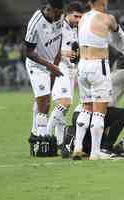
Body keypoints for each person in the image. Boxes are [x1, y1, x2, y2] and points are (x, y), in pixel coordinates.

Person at [72, 0, 124, 160]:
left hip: (82, 66)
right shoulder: (107, 18)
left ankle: (78, 147)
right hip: (97, 66)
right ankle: (95, 152)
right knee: (100, 111)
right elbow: (119, 35)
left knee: (86, 107)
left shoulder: (83, 17)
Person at [25, 0, 64, 156]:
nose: (60, 16)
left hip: (51, 64)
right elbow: (28, 52)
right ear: (50, 9)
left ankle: (35, 132)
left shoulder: (59, 17)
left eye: (61, 13)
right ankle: (41, 136)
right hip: (37, 65)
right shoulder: (35, 23)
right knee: (45, 101)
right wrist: (50, 66)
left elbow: (59, 39)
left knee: (42, 99)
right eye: (58, 13)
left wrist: (56, 60)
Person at [47, 1, 85, 148]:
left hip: (70, 69)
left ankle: (59, 141)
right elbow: (47, 45)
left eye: (80, 17)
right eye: (76, 16)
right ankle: (46, 134)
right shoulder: (58, 25)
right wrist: (63, 53)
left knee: (66, 106)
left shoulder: (75, 29)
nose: (78, 20)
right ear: (68, 13)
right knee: (65, 102)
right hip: (58, 67)